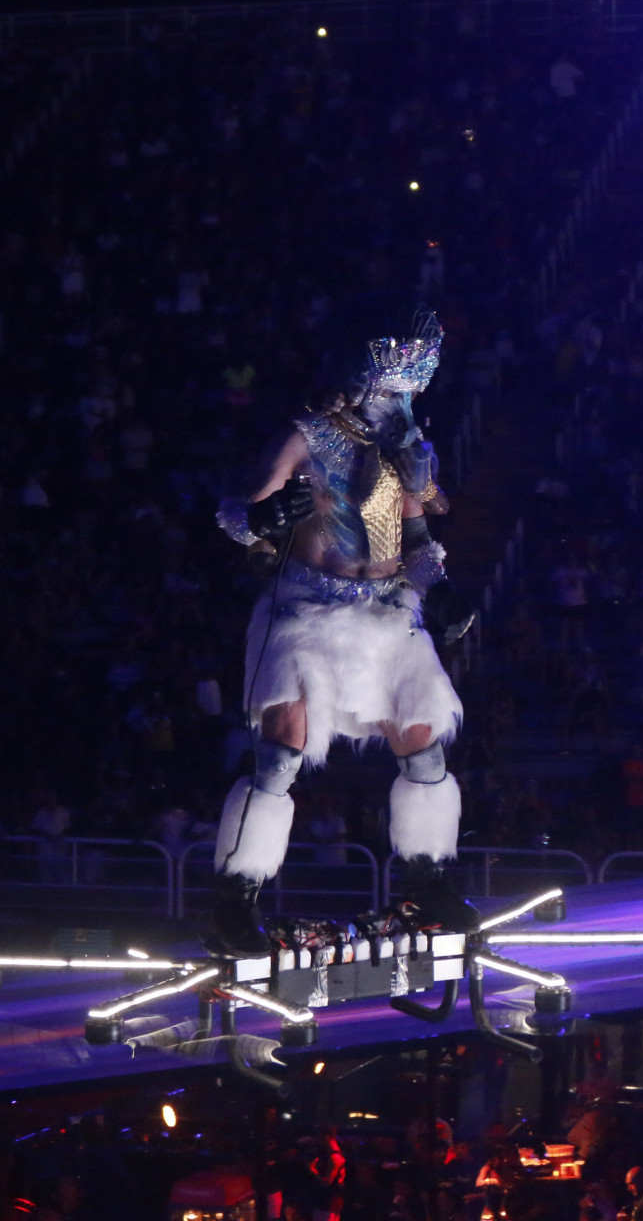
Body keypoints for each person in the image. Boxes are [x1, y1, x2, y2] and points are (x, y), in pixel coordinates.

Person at [209, 296, 477, 954]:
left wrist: (438, 590)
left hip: (387, 615)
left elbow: (415, 533)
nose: (393, 400)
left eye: (404, 391)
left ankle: (428, 883)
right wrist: (265, 521)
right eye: (387, 386)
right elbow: (238, 512)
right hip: (305, 612)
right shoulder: (309, 435)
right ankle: (233, 904)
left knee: (425, 747)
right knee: (278, 758)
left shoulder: (409, 449)